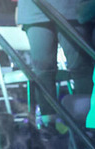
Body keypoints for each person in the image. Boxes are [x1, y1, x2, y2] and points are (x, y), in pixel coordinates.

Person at [16, 0, 93, 132]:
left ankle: (86, 125)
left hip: (71, 10)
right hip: (36, 11)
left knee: (80, 68)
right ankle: (49, 126)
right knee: (44, 71)